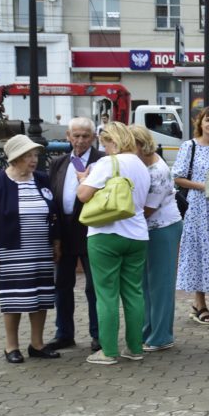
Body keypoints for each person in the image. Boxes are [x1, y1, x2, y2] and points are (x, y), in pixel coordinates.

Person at [0, 135, 62, 364]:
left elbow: (53, 213)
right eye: (28, 156)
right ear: (15, 158)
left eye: (35, 155)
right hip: (12, 249)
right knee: (14, 298)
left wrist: (56, 241)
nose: (33, 160)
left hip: (41, 250)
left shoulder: (42, 179)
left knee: (41, 297)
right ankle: (11, 346)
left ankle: (37, 344)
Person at [77, 122, 151, 366]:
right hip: (137, 235)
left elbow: (83, 195)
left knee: (106, 294)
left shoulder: (108, 163)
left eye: (105, 143)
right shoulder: (141, 165)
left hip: (106, 234)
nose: (104, 148)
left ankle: (108, 351)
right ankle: (135, 347)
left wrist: (84, 179)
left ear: (115, 142)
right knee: (133, 293)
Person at [46, 118, 105, 353]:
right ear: (68, 137)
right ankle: (64, 333)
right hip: (65, 233)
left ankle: (98, 334)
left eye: (85, 136)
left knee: (95, 287)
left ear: (93, 138)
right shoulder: (58, 163)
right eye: (76, 136)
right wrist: (54, 237)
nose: (80, 140)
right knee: (62, 285)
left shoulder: (103, 161)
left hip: (93, 233)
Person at [130, 125, 183, 353]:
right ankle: (148, 331)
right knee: (146, 284)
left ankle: (161, 336)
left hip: (163, 228)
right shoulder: (146, 164)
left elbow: (148, 210)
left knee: (160, 285)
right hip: (150, 229)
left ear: (141, 146)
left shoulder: (158, 171)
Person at [173, 107, 209, 325]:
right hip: (198, 206)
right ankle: (199, 303)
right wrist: (203, 186)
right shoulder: (190, 146)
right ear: (200, 123)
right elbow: (178, 177)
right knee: (198, 250)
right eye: (208, 120)